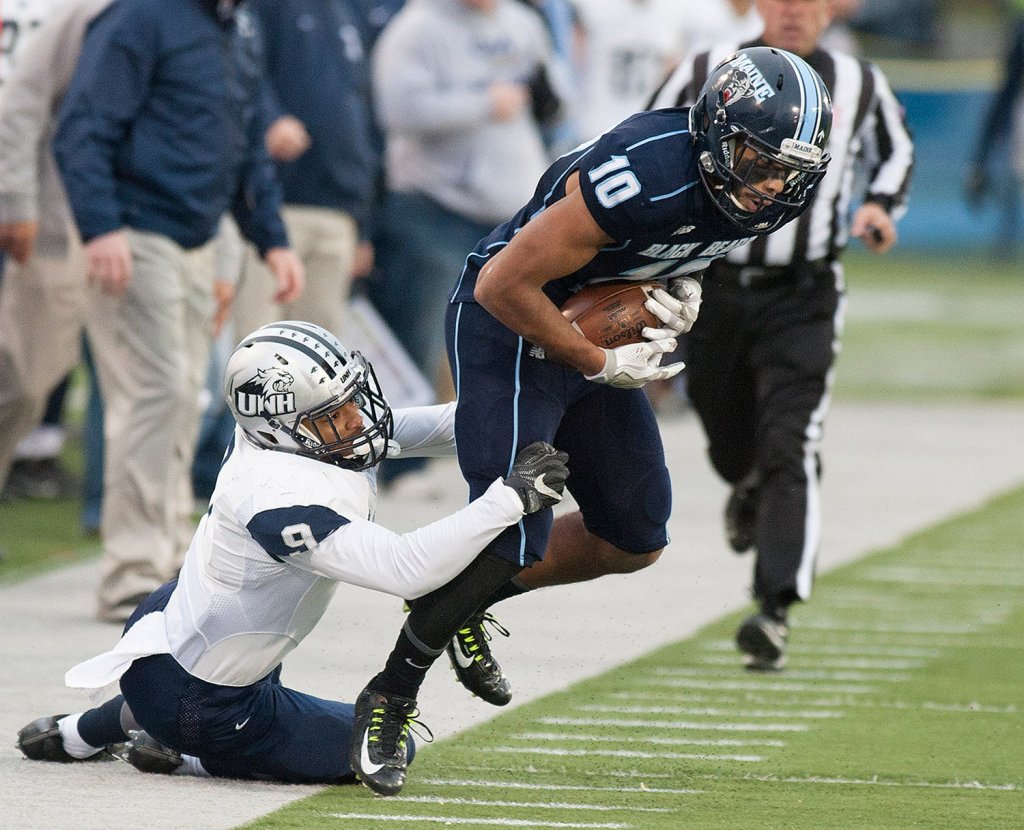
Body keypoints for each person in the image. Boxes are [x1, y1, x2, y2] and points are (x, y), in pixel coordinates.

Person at [349, 46, 834, 796]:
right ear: (713, 130)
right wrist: (598, 363)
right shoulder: (644, 172)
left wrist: (677, 290)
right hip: (508, 325)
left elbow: (683, 248)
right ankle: (390, 694)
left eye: (783, 172)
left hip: (584, 329)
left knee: (634, 535)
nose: (768, 183)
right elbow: (504, 283)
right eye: (753, 158)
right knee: (512, 532)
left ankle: (454, 597)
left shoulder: (772, 189)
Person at [15, 321, 569, 786]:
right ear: (281, 424)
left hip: (172, 632)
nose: (359, 420)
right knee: (379, 749)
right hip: (205, 699)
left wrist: (537, 395)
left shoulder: (284, 434)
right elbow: (410, 569)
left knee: (223, 654)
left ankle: (80, 734)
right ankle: (181, 751)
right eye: (336, 414)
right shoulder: (280, 497)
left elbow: (435, 427)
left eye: (351, 400)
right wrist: (509, 498)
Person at [647, 0, 914, 670]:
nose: (795, 9)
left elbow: (897, 152)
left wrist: (880, 205)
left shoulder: (861, 82)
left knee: (791, 442)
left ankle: (774, 610)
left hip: (805, 292)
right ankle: (748, 485)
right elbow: (648, 138)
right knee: (726, 436)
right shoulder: (711, 69)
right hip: (713, 287)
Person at [52, 0, 305, 623]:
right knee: (158, 393)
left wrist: (270, 237)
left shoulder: (237, 27)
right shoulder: (137, 19)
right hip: (136, 233)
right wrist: (100, 226)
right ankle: (132, 574)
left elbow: (246, 145)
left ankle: (165, 561)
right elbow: (80, 128)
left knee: (184, 398)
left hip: (199, 238)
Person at [231, 0, 381, 340]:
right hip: (275, 205)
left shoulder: (351, 11)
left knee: (322, 362)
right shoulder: (260, 7)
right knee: (259, 350)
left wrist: (364, 225)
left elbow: (365, 113)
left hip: (339, 208)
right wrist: (269, 119)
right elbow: (241, 69)